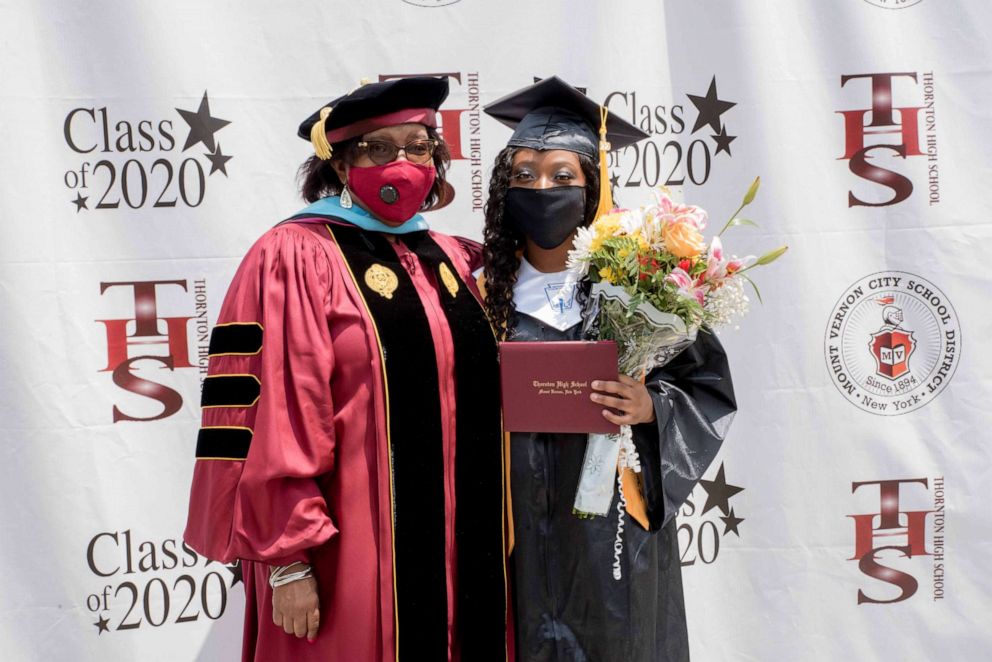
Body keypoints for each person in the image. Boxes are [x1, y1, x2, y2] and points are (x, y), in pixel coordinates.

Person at [184, 76, 509, 662]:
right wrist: (287, 563)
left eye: (419, 145)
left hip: (468, 554)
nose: (404, 161)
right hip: (352, 558)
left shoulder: (456, 261)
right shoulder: (295, 257)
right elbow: (277, 416)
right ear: (339, 164)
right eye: (379, 148)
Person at [481, 76, 737, 662]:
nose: (541, 188)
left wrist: (650, 408)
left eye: (562, 175)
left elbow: (705, 388)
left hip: (609, 533)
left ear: (593, 185)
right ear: (503, 188)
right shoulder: (476, 288)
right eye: (524, 174)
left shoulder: (638, 280)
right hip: (508, 524)